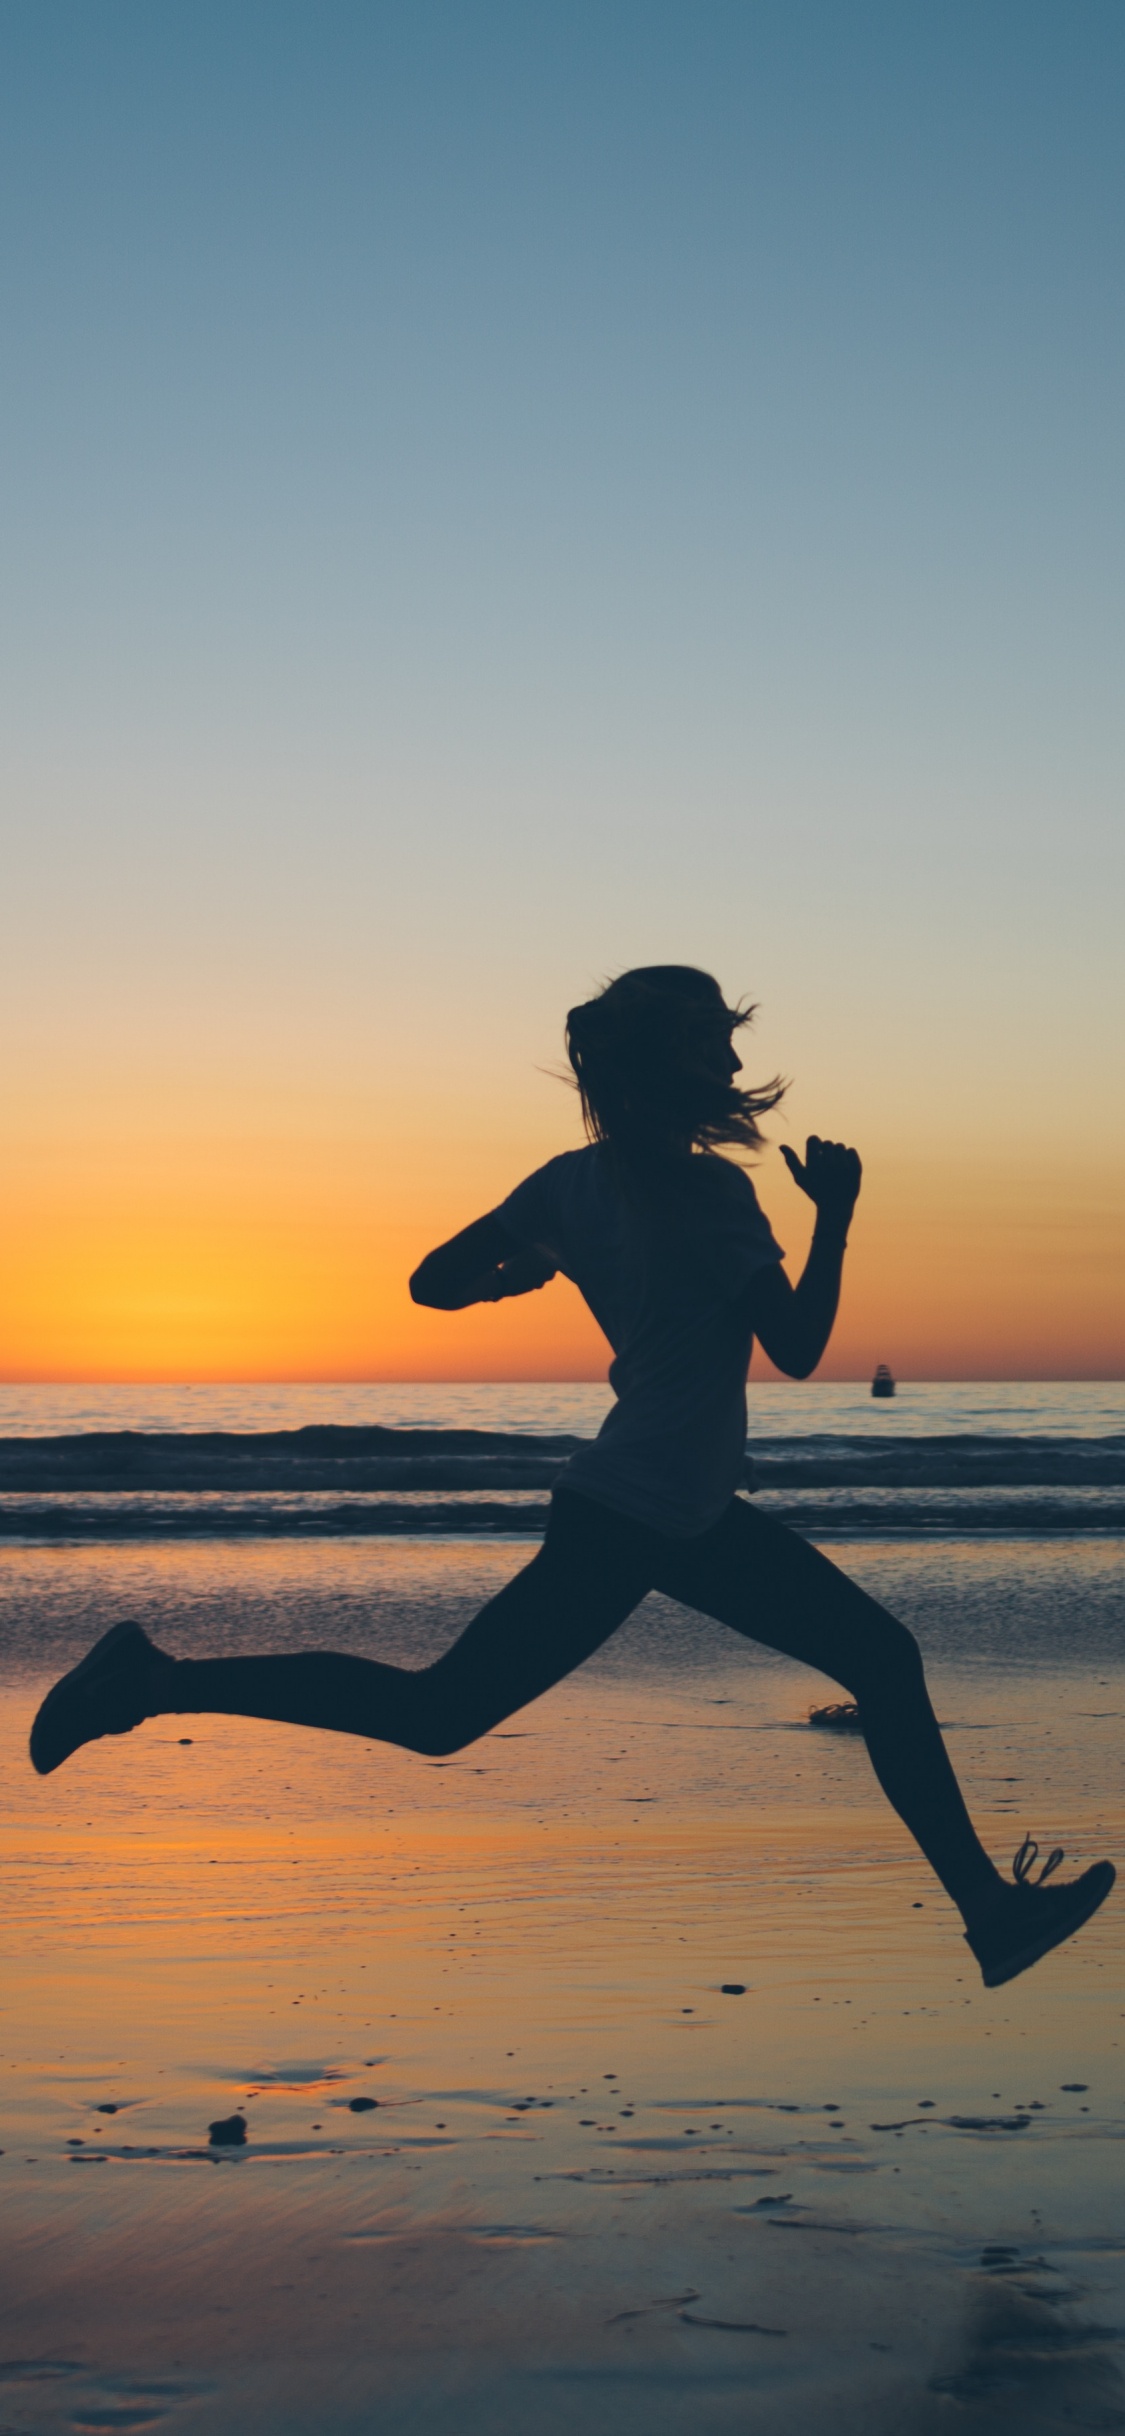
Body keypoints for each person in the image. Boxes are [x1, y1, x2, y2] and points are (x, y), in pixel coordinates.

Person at [30, 965, 1114, 1990]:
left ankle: (989, 1912)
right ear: (669, 1065)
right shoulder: (715, 1198)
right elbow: (797, 1347)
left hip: (672, 1509)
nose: (734, 1074)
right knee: (442, 1713)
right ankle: (153, 1680)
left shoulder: (569, 1186)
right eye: (714, 1050)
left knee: (872, 1657)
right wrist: (836, 1214)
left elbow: (431, 1283)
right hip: (642, 1513)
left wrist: (531, 1271)